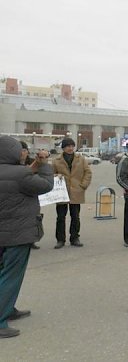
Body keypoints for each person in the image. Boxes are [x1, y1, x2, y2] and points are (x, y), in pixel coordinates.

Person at [0, 136, 54, 338]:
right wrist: (45, 165)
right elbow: (46, 185)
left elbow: (24, 175)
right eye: (20, 150)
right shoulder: (20, 174)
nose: (23, 152)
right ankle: (1, 320)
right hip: (17, 234)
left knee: (2, 274)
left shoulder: (18, 173)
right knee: (11, 276)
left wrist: (35, 163)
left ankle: (8, 308)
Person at [52, 138, 92, 249]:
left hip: (76, 191)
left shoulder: (81, 159)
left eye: (72, 146)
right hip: (61, 192)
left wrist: (83, 185)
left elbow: (87, 172)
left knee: (75, 216)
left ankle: (74, 237)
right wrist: (56, 176)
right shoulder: (56, 160)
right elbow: (51, 174)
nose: (70, 148)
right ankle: (60, 239)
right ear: (63, 148)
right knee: (60, 217)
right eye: (67, 146)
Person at [19, 142, 40, 251]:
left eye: (24, 150)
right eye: (20, 150)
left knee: (33, 219)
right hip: (18, 196)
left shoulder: (33, 162)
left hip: (32, 195)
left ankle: (31, 241)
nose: (23, 153)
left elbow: (41, 176)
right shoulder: (12, 164)